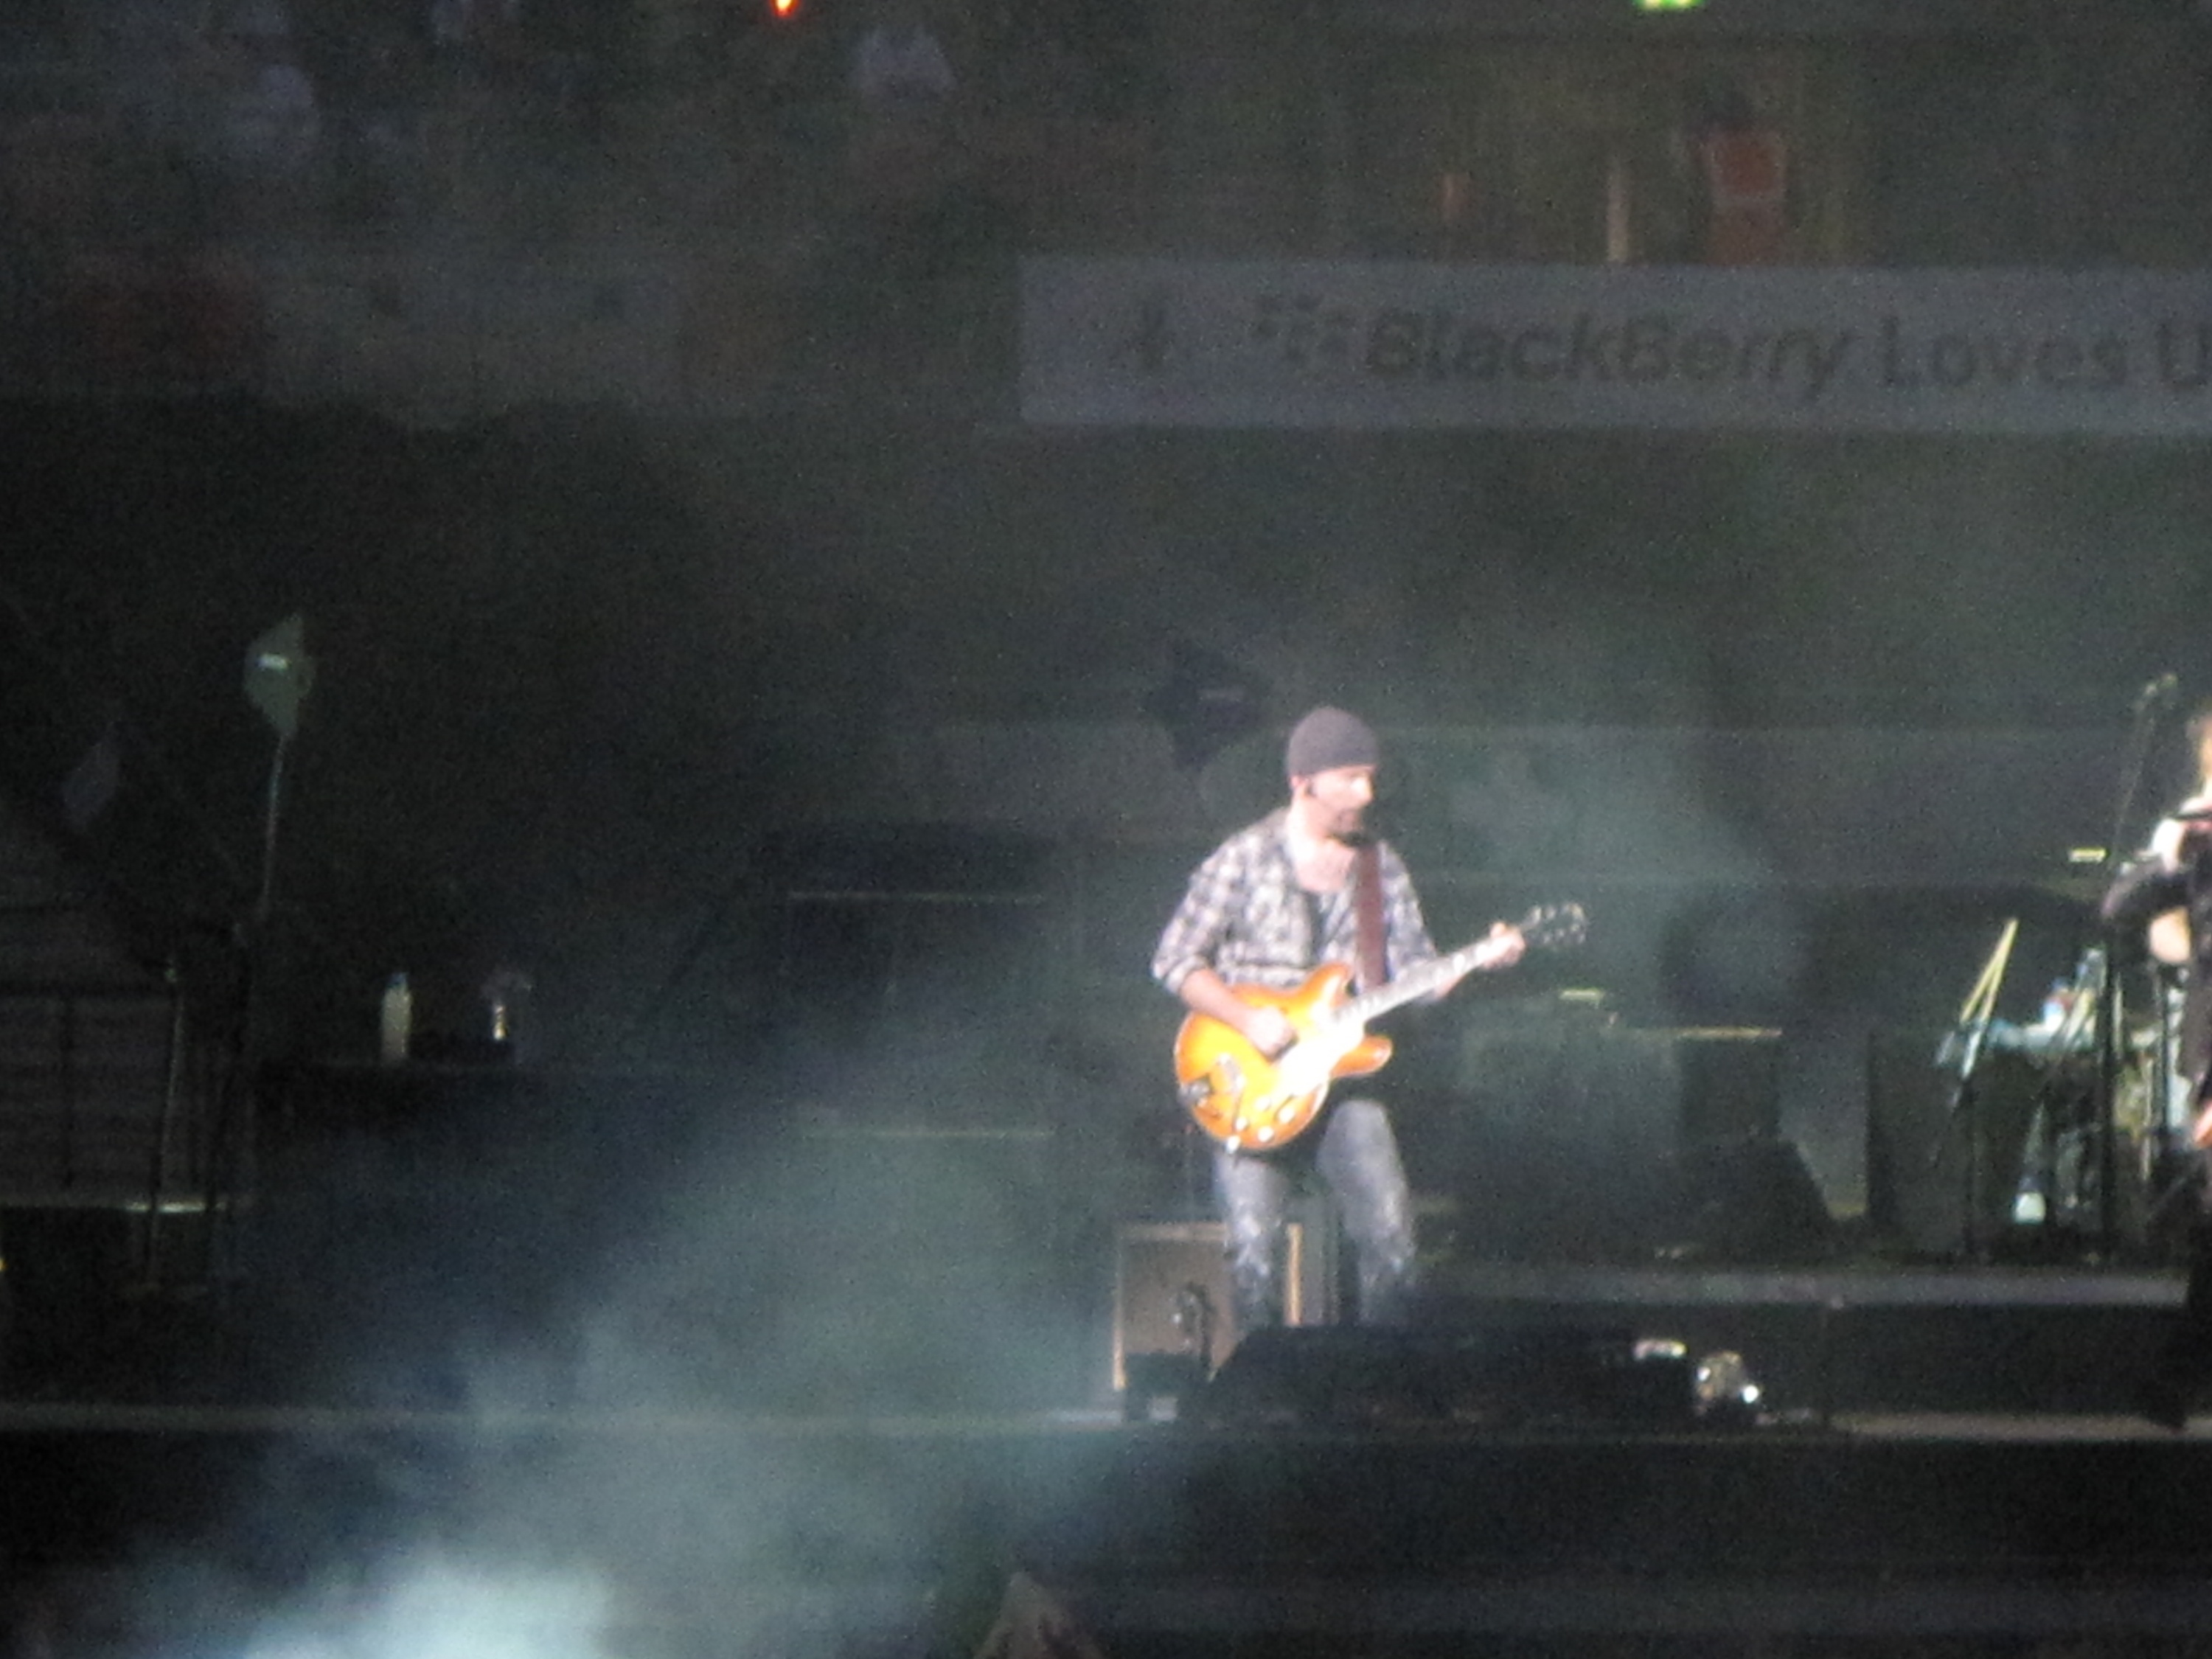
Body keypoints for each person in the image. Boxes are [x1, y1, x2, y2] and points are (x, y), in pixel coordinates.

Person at [1150, 706, 1526, 1335]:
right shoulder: (1243, 857)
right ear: (1304, 782)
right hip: (1251, 1079)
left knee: (1392, 1237)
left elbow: (1416, 979)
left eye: (1370, 777)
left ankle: (1379, 1382)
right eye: (1351, 778)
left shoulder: (1381, 867)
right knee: (1255, 1253)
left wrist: (1481, 959)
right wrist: (1248, 1019)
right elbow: (1173, 959)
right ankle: (1263, 1386)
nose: (1366, 793)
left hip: (1345, 1083)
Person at [2101, 698, 2212, 1428]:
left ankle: (2175, 1382)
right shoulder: (2197, 839)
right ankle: (2175, 1382)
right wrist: (2171, 855)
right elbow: (2120, 908)